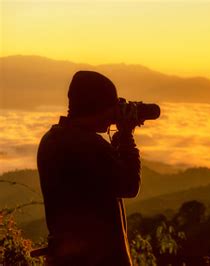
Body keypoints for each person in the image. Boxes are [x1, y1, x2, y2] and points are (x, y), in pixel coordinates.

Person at [37, 71, 141, 265]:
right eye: (112, 107)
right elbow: (129, 185)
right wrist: (126, 136)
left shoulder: (51, 139)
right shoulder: (89, 146)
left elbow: (97, 181)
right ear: (99, 107)